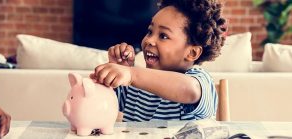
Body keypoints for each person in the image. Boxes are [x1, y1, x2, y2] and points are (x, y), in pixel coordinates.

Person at [90, 0, 227, 122]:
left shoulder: (199, 80)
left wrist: (131, 74)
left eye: (163, 36)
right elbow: (101, 105)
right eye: (150, 31)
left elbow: (190, 90)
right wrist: (116, 71)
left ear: (192, 53)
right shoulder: (136, 85)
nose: (149, 40)